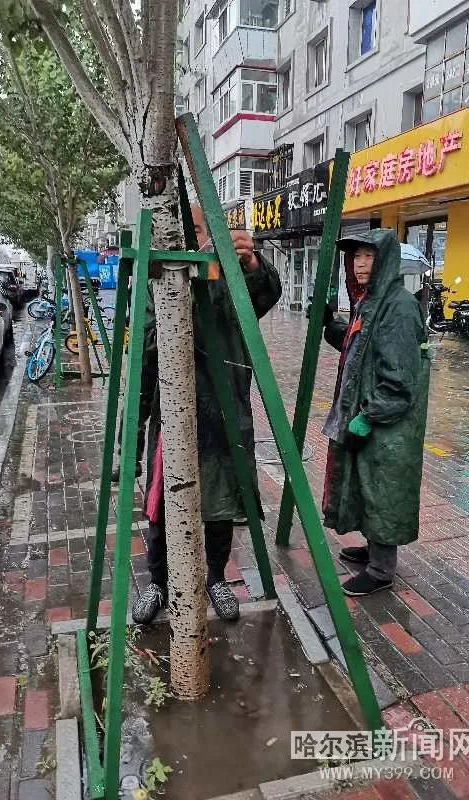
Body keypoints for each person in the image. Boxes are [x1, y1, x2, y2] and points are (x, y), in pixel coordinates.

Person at [122, 206, 281, 624]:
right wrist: (131, 438)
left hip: (221, 414)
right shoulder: (154, 284)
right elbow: (144, 356)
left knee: (219, 506)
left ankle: (214, 579)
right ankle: (158, 582)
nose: (185, 241)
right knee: (160, 506)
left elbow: (264, 296)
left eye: (194, 231)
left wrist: (251, 265)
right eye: (175, 233)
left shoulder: (224, 278)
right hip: (171, 418)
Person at [322, 229, 430, 596]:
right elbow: (362, 348)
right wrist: (331, 327)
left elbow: (400, 380)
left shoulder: (397, 306)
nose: (360, 263)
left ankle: (382, 569)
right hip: (369, 416)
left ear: (384, 260)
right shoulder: (370, 301)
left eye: (368, 256)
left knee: (382, 490)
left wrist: (367, 417)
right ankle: (373, 549)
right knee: (365, 487)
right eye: (355, 257)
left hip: (386, 424)